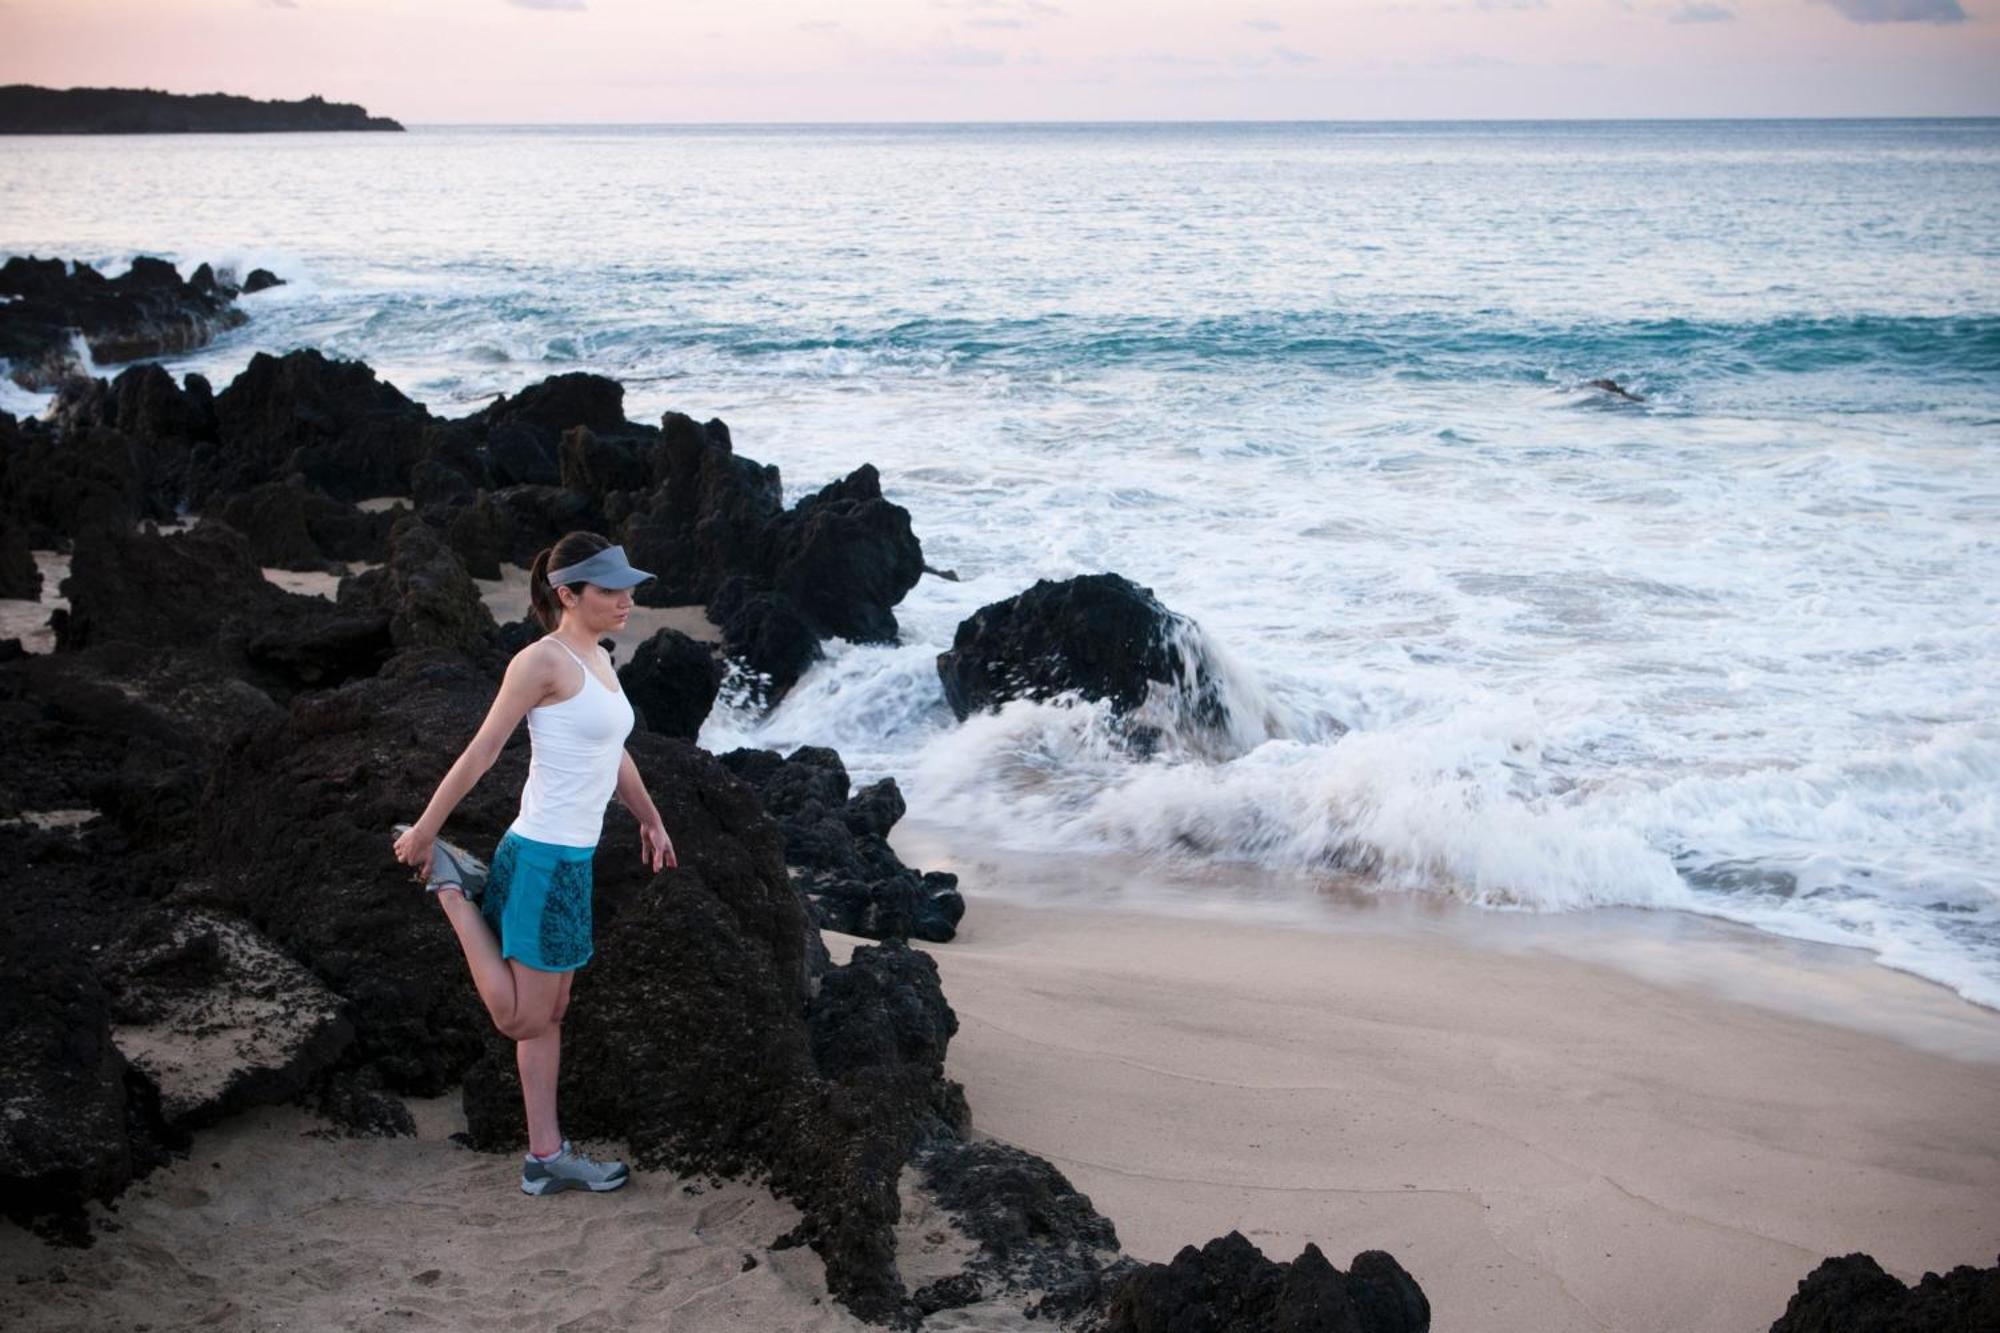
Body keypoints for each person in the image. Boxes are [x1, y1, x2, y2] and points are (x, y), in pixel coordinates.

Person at [391, 531, 676, 1196]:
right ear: (566, 593)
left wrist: (650, 816)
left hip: (573, 863)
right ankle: (453, 891)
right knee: (520, 1017)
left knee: (552, 1014)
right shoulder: (539, 662)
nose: (625, 599)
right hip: (541, 858)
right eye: (609, 589)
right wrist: (429, 831)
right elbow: (485, 748)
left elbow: (616, 749)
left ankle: (545, 1156)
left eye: (627, 587)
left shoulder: (601, 659)